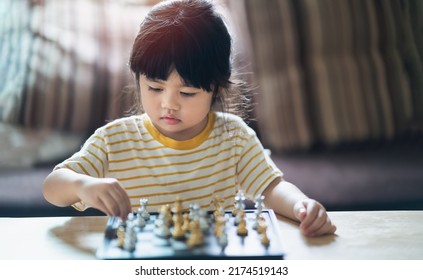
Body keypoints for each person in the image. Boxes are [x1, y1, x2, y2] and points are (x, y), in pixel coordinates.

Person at [43, 0, 336, 237]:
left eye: (187, 93)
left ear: (216, 90)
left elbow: (270, 188)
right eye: (155, 88)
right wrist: (82, 186)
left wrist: (302, 205)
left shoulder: (233, 136)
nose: (168, 104)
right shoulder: (114, 139)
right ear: (138, 79)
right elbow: (53, 186)